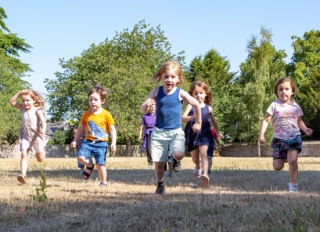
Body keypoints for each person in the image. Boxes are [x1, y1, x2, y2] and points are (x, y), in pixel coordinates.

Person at [141, 60, 202, 194]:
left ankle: (174, 159)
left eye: (173, 77)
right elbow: (143, 108)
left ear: (179, 79)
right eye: (166, 76)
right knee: (158, 161)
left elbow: (196, 104)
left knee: (179, 154)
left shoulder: (180, 93)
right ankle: (160, 184)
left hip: (175, 132)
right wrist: (147, 104)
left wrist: (198, 122)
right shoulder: (156, 91)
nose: (169, 80)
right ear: (161, 77)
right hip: (158, 132)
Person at [259, 77, 313, 192]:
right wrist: (261, 135)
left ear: (292, 92)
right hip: (279, 140)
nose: (284, 91)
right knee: (277, 167)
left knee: (293, 161)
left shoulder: (296, 107)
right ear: (277, 92)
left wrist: (305, 129)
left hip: (293, 138)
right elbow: (266, 120)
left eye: (287, 89)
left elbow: (299, 121)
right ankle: (284, 156)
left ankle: (292, 186)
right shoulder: (274, 105)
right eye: (281, 89)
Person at [71, 85, 117, 187]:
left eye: (96, 100)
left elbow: (112, 130)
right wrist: (75, 140)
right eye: (90, 100)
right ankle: (89, 165)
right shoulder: (86, 114)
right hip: (87, 142)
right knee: (80, 157)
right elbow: (80, 128)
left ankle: (103, 182)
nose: (93, 102)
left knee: (100, 164)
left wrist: (113, 143)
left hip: (102, 144)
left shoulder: (106, 114)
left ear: (102, 101)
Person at [182, 80, 221, 188]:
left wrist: (217, 132)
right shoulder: (191, 106)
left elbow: (214, 121)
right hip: (192, 134)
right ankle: (197, 166)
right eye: (196, 93)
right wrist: (192, 117)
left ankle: (205, 175)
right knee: (194, 158)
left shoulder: (209, 108)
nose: (198, 95)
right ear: (192, 95)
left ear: (206, 94)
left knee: (204, 153)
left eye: (201, 93)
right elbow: (183, 118)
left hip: (205, 134)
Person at [9, 89, 48, 184]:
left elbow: (43, 121)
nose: (25, 103)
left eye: (28, 100)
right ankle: (23, 175)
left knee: (40, 159)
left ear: (34, 100)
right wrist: (19, 92)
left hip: (36, 136)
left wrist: (43, 129)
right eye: (23, 101)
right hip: (25, 136)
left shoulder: (37, 110)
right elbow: (12, 102)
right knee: (24, 154)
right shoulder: (23, 109)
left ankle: (43, 149)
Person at [139, 102, 156, 167]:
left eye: (154, 107)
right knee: (148, 148)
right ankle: (150, 162)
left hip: (156, 132)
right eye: (151, 107)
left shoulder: (157, 115)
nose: (152, 109)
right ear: (148, 108)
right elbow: (142, 126)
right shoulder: (145, 116)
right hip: (148, 132)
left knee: (156, 147)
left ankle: (159, 161)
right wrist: (140, 134)